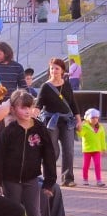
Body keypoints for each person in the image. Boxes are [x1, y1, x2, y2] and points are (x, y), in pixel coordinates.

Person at [0, 90, 57, 216]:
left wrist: (49, 181)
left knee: (35, 215)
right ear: (13, 109)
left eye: (30, 107)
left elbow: (49, 154)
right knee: (14, 215)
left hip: (31, 179)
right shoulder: (9, 131)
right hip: (10, 180)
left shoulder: (39, 128)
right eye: (23, 108)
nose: (27, 111)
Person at [35, 57, 81, 187]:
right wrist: (31, 118)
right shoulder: (45, 87)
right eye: (52, 68)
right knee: (52, 151)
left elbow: (72, 103)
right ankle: (49, 177)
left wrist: (78, 120)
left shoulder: (66, 84)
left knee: (69, 150)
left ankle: (68, 178)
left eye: (57, 68)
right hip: (51, 122)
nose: (54, 71)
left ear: (62, 71)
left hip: (67, 122)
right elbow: (38, 105)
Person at [79, 108, 105, 187]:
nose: (95, 119)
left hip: (97, 149)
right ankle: (85, 179)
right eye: (92, 117)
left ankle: (99, 180)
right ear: (87, 118)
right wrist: (79, 129)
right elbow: (81, 134)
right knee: (86, 165)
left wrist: (103, 149)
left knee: (97, 165)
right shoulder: (85, 127)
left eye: (96, 117)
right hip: (87, 150)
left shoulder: (101, 127)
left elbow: (102, 139)